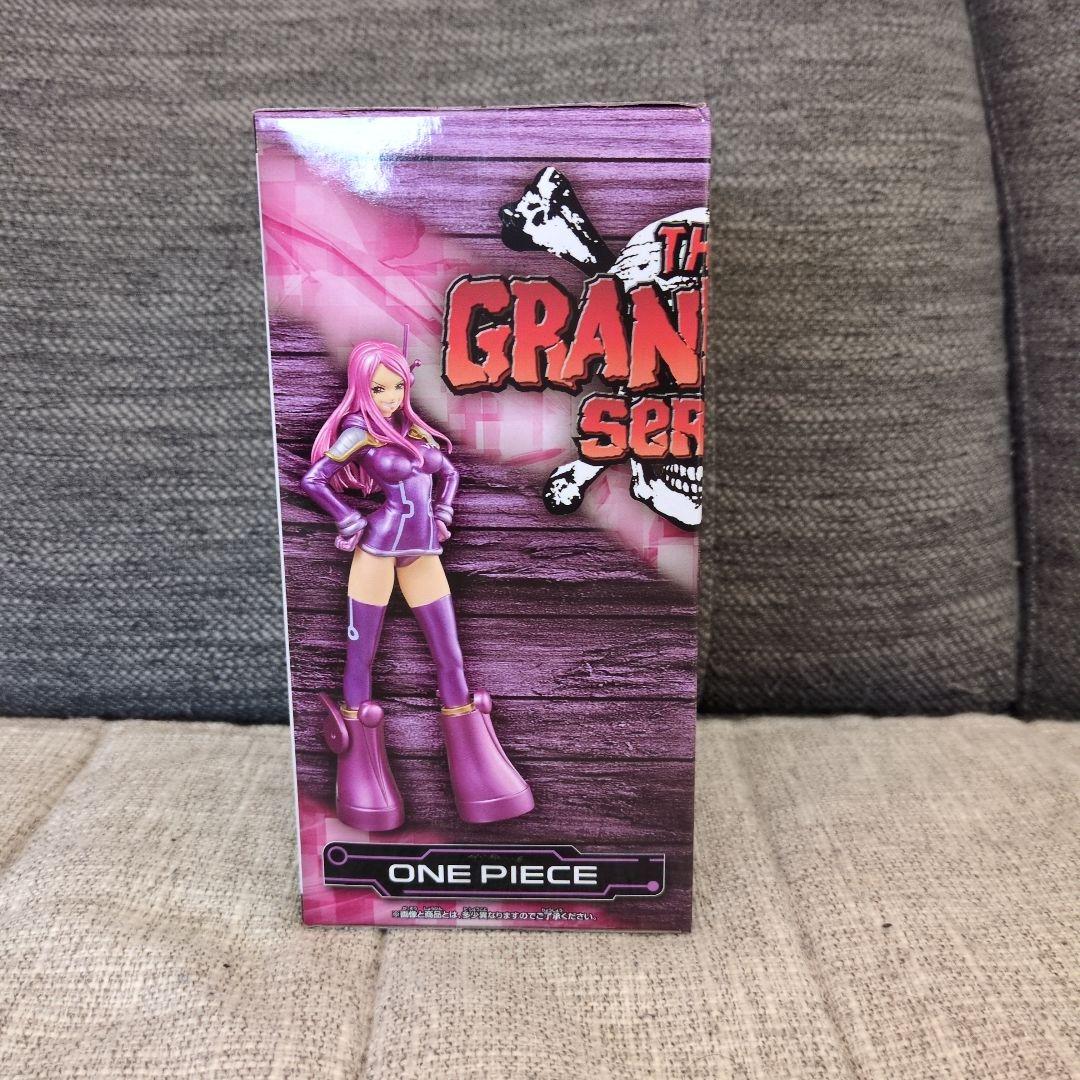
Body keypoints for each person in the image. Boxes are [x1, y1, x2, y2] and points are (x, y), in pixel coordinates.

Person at [300, 339, 534, 831]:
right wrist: (347, 518)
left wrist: (444, 511)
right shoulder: (358, 432)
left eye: (397, 386)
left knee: (450, 656)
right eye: (378, 388)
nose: (389, 397)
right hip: (377, 549)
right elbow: (314, 480)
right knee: (361, 658)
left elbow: (450, 474)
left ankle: (483, 780)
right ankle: (362, 780)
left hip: (423, 550)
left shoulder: (414, 431)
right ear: (361, 388)